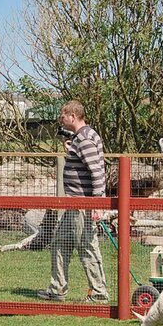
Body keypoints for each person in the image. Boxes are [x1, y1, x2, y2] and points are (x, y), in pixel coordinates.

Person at [37, 100, 110, 303]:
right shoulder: (82, 137)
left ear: (72, 116)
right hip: (73, 204)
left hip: (82, 204)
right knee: (59, 244)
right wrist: (71, 150)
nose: (61, 120)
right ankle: (57, 289)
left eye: (63, 117)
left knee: (87, 247)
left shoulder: (85, 139)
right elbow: (84, 164)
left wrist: (97, 203)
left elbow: (97, 172)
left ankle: (99, 293)